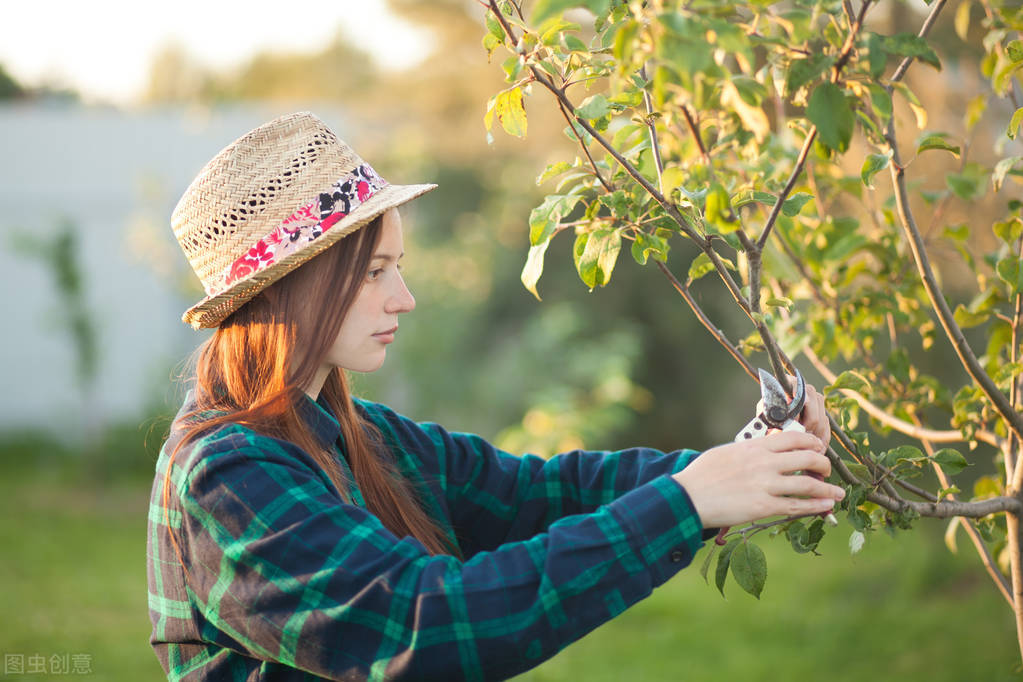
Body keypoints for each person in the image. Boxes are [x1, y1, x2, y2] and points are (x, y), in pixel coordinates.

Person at [147, 111, 845, 681]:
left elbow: (538, 494)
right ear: (292, 286)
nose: (404, 298)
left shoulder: (358, 436)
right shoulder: (228, 476)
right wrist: (688, 502)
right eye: (375, 273)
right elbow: (430, 627)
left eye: (399, 268)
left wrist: (744, 459)